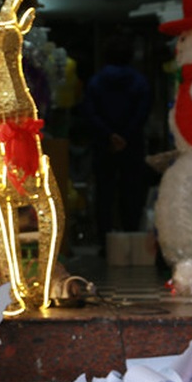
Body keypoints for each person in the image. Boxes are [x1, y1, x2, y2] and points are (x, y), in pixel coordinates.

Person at [82, 37, 151, 241]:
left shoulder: (96, 81)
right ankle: (130, 236)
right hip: (132, 144)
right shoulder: (139, 81)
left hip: (104, 145)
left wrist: (109, 135)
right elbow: (142, 113)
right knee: (131, 192)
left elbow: (90, 112)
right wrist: (126, 135)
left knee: (105, 193)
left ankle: (105, 240)